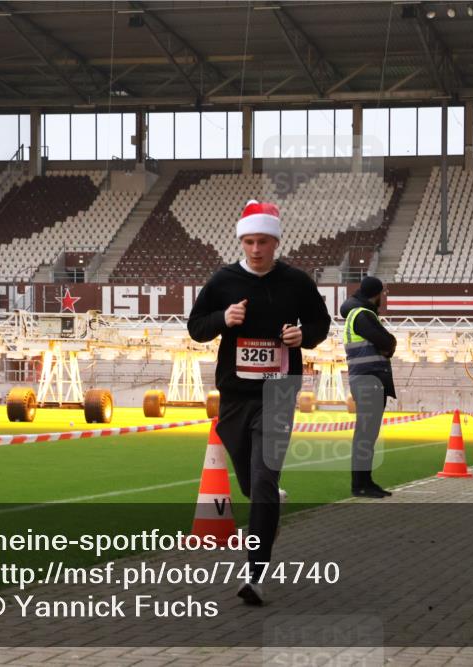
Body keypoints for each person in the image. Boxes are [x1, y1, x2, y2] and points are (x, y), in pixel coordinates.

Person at [187, 199, 331, 604]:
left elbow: (321, 323)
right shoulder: (223, 282)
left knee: (264, 477)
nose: (255, 249)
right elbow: (196, 327)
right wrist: (222, 320)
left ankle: (255, 574)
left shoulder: (297, 282)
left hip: (279, 391)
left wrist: (304, 336)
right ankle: (270, 503)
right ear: (241, 242)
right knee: (252, 483)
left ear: (275, 241)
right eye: (249, 241)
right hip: (234, 396)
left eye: (263, 241)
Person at [340, 276, 397, 498]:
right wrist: (389, 345)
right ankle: (360, 484)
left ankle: (365, 481)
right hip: (368, 379)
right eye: (382, 294)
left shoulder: (357, 313)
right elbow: (387, 342)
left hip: (365, 379)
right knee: (365, 434)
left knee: (367, 434)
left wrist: (388, 345)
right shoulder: (363, 315)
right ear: (377, 294)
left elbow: (385, 343)